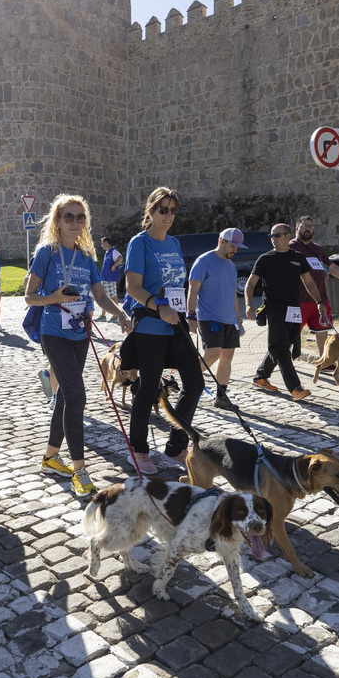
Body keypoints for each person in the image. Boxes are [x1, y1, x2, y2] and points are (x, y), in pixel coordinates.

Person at [25, 195, 131, 496]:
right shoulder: (47, 252)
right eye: (68, 217)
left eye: (80, 217)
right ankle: (80, 469)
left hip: (80, 333)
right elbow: (29, 296)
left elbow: (99, 295)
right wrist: (54, 297)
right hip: (53, 332)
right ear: (57, 222)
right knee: (77, 395)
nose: (75, 222)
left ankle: (49, 457)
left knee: (64, 396)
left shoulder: (87, 256)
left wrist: (120, 313)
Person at [122, 187, 203, 473]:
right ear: (151, 210)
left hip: (176, 324)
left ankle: (175, 447)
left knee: (195, 384)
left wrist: (184, 312)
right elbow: (133, 287)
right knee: (148, 387)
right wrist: (160, 307)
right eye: (163, 210)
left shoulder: (174, 244)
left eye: (173, 211)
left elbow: (178, 284)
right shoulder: (139, 243)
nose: (168, 216)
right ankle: (139, 450)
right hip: (150, 323)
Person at [244, 223, 326, 401]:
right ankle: (295, 388)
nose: (273, 239)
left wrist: (319, 301)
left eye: (277, 235)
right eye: (272, 236)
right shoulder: (265, 258)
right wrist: (248, 304)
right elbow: (250, 283)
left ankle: (260, 377)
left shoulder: (297, 257)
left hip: (294, 309)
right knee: (280, 347)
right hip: (274, 309)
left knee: (285, 344)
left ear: (288, 236)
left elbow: (309, 282)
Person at [187, 228, 246, 411]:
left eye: (237, 247)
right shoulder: (203, 261)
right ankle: (188, 380)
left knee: (227, 357)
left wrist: (238, 317)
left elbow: (233, 294)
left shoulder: (230, 266)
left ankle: (221, 398)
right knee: (212, 354)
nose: (235, 250)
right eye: (232, 246)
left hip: (230, 319)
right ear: (222, 241)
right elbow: (193, 289)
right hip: (209, 317)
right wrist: (191, 315)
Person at [289, 216, 339, 357]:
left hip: (321, 300)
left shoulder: (317, 249)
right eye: (304, 226)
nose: (308, 229)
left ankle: (324, 363)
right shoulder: (291, 247)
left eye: (310, 226)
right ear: (297, 228)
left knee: (322, 332)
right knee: (291, 334)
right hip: (299, 301)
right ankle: (282, 362)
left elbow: (332, 267)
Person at [97, 236, 123, 321]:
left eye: (102, 243)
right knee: (105, 297)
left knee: (112, 297)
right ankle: (103, 315)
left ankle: (115, 315)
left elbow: (120, 258)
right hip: (105, 278)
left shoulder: (113, 251)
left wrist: (114, 266)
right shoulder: (107, 252)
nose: (101, 245)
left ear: (106, 243)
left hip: (110, 278)